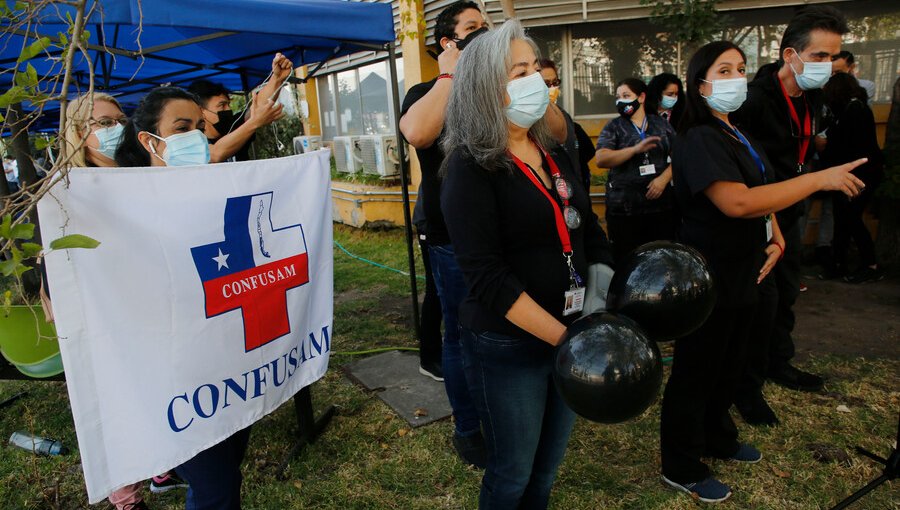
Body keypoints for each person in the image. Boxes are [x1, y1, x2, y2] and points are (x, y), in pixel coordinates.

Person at [662, 40, 866, 503]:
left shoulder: (736, 132)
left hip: (746, 269)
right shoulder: (698, 138)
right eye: (724, 70)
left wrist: (775, 234)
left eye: (741, 68)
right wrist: (819, 178)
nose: (736, 78)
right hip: (709, 274)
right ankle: (681, 463)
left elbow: (762, 189)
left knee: (731, 363)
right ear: (701, 84)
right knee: (697, 371)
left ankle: (717, 436)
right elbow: (735, 201)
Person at [440, 20, 613, 509]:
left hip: (573, 333)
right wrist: (568, 342)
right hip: (511, 345)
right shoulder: (470, 167)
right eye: (520, 70)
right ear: (485, 86)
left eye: (535, 67)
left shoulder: (551, 152)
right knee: (512, 472)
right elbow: (487, 278)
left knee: (546, 469)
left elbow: (591, 234)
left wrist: (594, 313)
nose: (536, 78)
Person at [115, 86, 249, 510]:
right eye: (181, 127)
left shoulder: (214, 192)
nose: (196, 136)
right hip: (177, 379)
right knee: (216, 491)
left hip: (229, 367)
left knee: (227, 474)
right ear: (150, 140)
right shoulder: (122, 211)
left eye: (199, 127)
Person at [730, 6, 849, 425]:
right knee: (760, 301)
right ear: (790, 55)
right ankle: (747, 388)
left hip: (792, 208)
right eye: (819, 56)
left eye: (833, 56)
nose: (828, 66)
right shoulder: (754, 100)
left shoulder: (812, 95)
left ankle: (779, 361)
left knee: (786, 292)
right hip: (758, 213)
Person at [595, 77, 677, 264]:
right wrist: (634, 150)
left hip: (660, 209)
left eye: (626, 95)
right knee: (627, 262)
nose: (621, 101)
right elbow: (601, 158)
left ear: (641, 97)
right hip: (624, 211)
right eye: (618, 97)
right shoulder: (614, 126)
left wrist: (663, 179)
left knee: (661, 260)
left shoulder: (661, 124)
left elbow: (680, 157)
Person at [821, 72, 885, 283]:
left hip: (860, 175)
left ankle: (870, 264)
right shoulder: (850, 109)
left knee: (851, 218)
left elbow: (848, 146)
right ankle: (839, 263)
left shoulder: (854, 110)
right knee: (843, 218)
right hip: (852, 174)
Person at [187, 52, 291, 163]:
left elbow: (259, 106)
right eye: (222, 105)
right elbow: (215, 154)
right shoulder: (193, 144)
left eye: (228, 104)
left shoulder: (234, 126)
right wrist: (254, 123)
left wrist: (277, 79)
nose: (228, 109)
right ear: (201, 111)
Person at [540, 58, 595, 191]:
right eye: (546, 84)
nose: (552, 88)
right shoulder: (530, 120)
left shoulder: (563, 115)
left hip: (576, 190)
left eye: (555, 82)